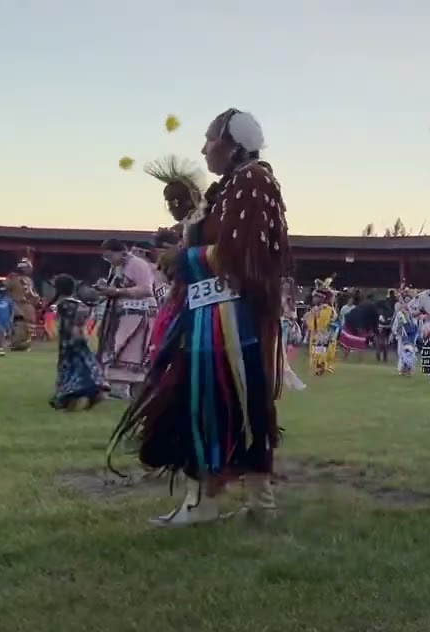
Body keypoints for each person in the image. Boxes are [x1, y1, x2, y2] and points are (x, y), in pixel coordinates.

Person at [109, 107, 290, 527]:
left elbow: (242, 256)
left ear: (234, 145)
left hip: (230, 322)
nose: (203, 147)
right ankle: (227, 500)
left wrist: (183, 257)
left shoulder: (253, 180)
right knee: (213, 404)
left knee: (226, 403)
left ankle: (233, 502)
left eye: (210, 139)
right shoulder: (229, 188)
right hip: (210, 317)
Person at [144, 155, 207, 357]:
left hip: (198, 299)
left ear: (180, 202)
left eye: (171, 203)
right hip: (184, 295)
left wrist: (178, 256)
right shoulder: (188, 225)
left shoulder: (200, 223)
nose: (170, 208)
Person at [94, 239, 157, 399]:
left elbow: (146, 289)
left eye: (110, 256)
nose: (108, 261)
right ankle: (119, 388)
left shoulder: (138, 265)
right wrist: (106, 288)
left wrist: (117, 291)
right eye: (105, 258)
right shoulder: (117, 267)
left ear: (122, 253)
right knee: (117, 346)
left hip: (138, 314)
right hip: (120, 313)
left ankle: (125, 388)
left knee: (127, 348)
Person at [49, 274, 105, 410]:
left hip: (67, 341)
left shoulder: (62, 305)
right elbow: (84, 317)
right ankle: (93, 390)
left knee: (68, 367)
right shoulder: (79, 304)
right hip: (80, 339)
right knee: (84, 363)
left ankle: (70, 395)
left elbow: (57, 322)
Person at [5, 258, 40, 351]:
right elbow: (6, 290)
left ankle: (22, 344)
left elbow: (32, 293)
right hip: (18, 305)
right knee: (19, 325)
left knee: (26, 326)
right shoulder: (13, 278)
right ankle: (18, 344)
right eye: (28, 268)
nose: (30, 270)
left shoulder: (27, 279)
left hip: (26, 305)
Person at [305, 278, 338, 376]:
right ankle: (319, 366)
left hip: (322, 333)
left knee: (321, 350)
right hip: (317, 333)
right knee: (316, 350)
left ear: (322, 298)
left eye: (316, 297)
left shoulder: (326, 309)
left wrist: (314, 316)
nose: (314, 299)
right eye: (314, 297)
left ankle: (321, 367)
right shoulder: (317, 309)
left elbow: (323, 323)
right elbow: (310, 322)